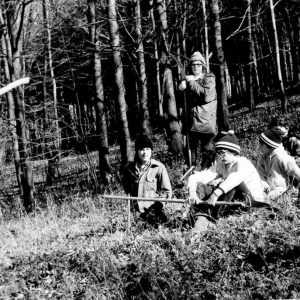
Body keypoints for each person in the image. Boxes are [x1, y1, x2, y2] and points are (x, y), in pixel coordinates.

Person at [187, 131, 266, 231]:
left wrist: (215, 194)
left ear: (232, 152)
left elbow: (235, 179)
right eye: (218, 153)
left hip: (251, 202)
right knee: (199, 185)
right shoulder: (222, 165)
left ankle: (213, 217)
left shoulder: (243, 163)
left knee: (231, 184)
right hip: (231, 199)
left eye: (223, 153)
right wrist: (192, 193)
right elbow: (197, 177)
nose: (220, 157)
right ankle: (199, 213)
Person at [121, 134, 172, 226]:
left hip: (154, 211)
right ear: (137, 151)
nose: (145, 153)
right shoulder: (129, 169)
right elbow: (127, 189)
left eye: (147, 149)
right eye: (141, 149)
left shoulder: (158, 167)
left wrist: (157, 206)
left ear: (151, 151)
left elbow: (167, 192)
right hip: (136, 213)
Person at [179, 51, 217, 169]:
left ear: (203, 66)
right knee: (190, 152)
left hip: (205, 122)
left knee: (207, 152)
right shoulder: (189, 80)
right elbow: (182, 102)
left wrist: (191, 82)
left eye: (198, 64)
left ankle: (208, 176)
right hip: (190, 123)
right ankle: (192, 174)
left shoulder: (209, 78)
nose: (196, 67)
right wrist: (180, 89)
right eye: (193, 64)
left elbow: (206, 96)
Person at [257, 128, 300, 201]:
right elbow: (260, 175)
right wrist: (265, 187)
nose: (259, 147)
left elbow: (297, 173)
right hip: (267, 190)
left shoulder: (281, 157)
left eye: (262, 145)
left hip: (282, 191)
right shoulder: (262, 158)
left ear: (270, 145)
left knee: (269, 198)